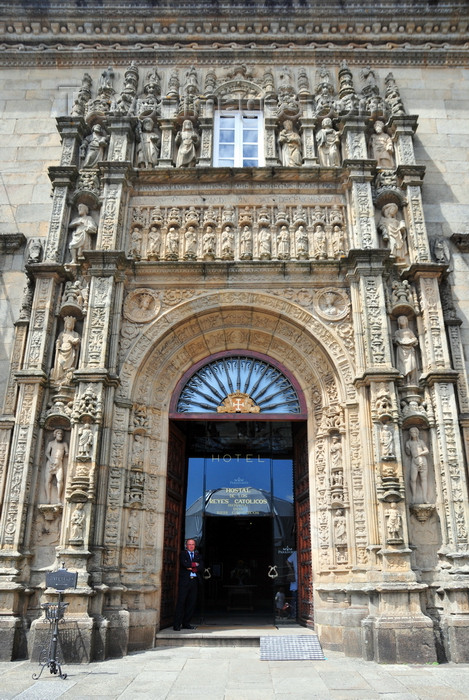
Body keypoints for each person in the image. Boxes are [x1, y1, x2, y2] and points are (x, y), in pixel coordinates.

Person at [173, 538, 204, 631]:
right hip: (184, 582)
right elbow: (185, 564)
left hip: (194, 582)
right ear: (186, 545)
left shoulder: (198, 555)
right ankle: (177, 624)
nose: (191, 546)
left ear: (195, 546)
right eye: (189, 544)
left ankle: (186, 623)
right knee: (181, 602)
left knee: (191, 603)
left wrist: (192, 566)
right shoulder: (183, 554)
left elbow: (201, 567)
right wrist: (195, 565)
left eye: (193, 544)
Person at [405, 427, 430, 504]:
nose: (413, 434)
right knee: (413, 479)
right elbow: (408, 453)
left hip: (422, 460)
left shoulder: (421, 442)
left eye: (414, 432)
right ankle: (413, 497)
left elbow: (427, 451)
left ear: (417, 433)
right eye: (411, 432)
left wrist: (419, 453)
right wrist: (407, 448)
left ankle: (425, 498)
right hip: (414, 461)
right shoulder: (408, 442)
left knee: (424, 479)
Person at [45, 429, 68, 503]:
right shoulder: (51, 443)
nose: (60, 435)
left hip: (59, 462)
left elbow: (67, 452)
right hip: (51, 462)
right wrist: (51, 460)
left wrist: (67, 453)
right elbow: (47, 453)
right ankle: (48, 498)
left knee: (60, 480)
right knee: (48, 480)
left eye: (61, 434)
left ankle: (58, 498)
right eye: (58, 433)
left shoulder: (64, 444)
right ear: (55, 435)